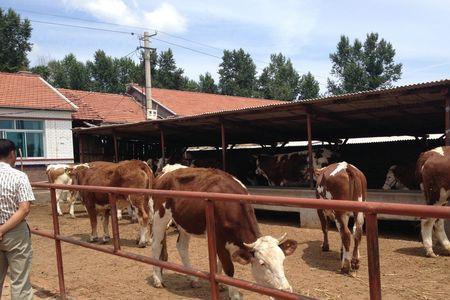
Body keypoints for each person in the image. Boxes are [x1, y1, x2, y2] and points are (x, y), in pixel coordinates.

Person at [0, 139, 34, 299]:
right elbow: (24, 208)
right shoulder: (19, 176)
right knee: (20, 282)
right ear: (12, 154)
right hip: (15, 233)